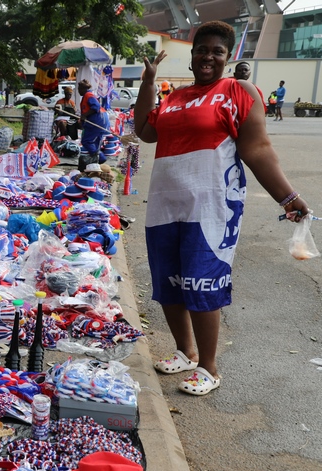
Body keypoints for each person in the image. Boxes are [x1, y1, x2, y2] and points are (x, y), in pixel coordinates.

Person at [133, 20, 311, 396]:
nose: (208, 57)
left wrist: (287, 195)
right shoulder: (176, 96)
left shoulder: (237, 90)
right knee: (169, 282)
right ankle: (184, 351)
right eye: (202, 50)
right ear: (192, 54)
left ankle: (208, 367)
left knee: (201, 282)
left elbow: (257, 148)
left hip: (210, 206)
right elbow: (146, 132)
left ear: (228, 58)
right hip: (166, 203)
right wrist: (149, 82)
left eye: (217, 51)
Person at [77, 79, 110, 166]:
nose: (78, 91)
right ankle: (96, 161)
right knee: (96, 142)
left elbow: (96, 107)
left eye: (79, 89)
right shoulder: (88, 95)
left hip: (97, 120)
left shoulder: (88, 95)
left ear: (83, 89)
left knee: (86, 141)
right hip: (102, 120)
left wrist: (84, 115)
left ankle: (101, 158)